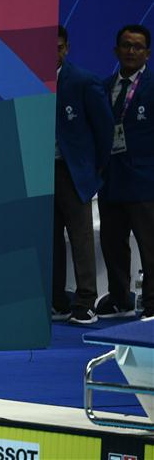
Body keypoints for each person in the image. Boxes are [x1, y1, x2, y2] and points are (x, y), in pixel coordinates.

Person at [52, 25, 113, 324]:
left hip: (72, 171)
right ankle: (57, 300)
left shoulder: (83, 81)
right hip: (39, 172)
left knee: (81, 237)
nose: (54, 53)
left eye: (59, 47)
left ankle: (85, 301)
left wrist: (93, 167)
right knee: (49, 238)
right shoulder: (29, 80)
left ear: (67, 48)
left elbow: (105, 131)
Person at [96, 24, 154, 320]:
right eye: (126, 45)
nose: (131, 51)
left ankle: (153, 302)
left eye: (138, 47)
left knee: (150, 245)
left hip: (145, 180)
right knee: (113, 242)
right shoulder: (103, 86)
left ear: (147, 53)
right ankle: (120, 298)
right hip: (111, 179)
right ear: (116, 50)